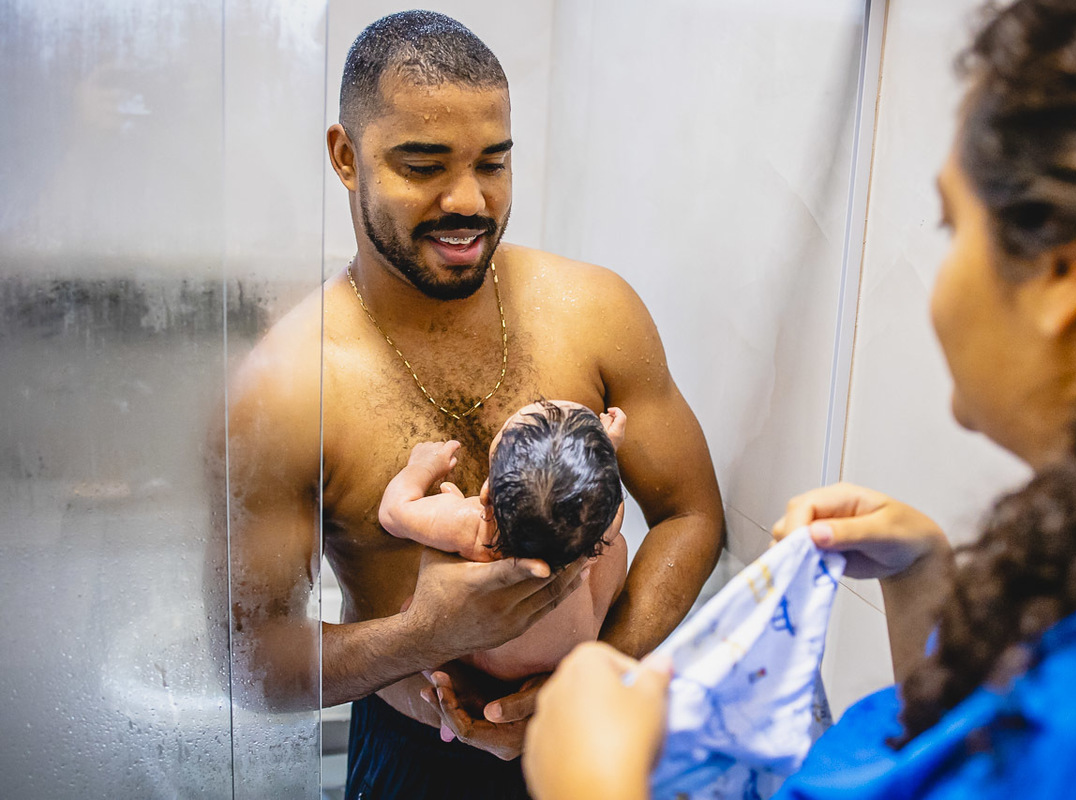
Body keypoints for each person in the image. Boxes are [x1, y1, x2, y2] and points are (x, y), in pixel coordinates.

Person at [522, 1, 1076, 797]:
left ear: (1061, 275)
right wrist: (924, 584)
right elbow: (962, 762)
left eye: (953, 225)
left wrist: (592, 783)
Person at [219, 8, 725, 799]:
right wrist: (419, 637)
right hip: (419, 762)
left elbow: (693, 516)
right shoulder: (285, 389)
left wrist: (595, 670)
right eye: (423, 166)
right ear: (346, 158)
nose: (470, 201)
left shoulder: (595, 310)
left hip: (602, 731)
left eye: (494, 162)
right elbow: (251, 662)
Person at [377, 401, 628, 684]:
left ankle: (451, 683)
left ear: (487, 496)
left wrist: (422, 466)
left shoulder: (472, 526)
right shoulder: (598, 522)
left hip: (500, 663)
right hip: (574, 644)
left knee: (410, 610)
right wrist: (602, 451)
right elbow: (596, 495)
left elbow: (393, 513)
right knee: (614, 546)